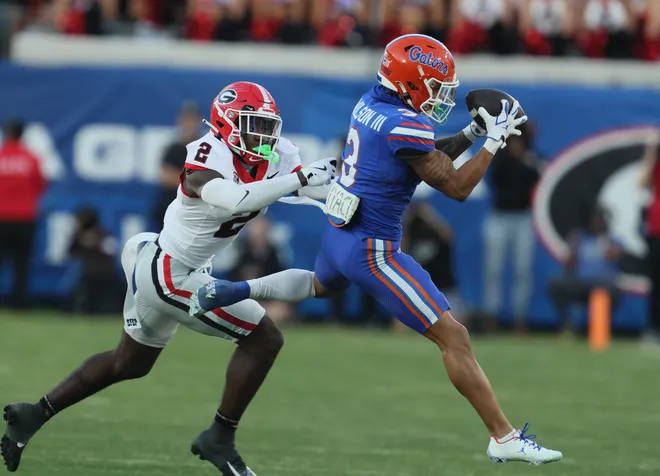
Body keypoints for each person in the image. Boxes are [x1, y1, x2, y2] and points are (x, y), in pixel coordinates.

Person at [192, 34, 562, 464]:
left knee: (321, 285)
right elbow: (456, 185)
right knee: (454, 337)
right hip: (374, 251)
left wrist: (471, 132)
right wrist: (494, 141)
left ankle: (234, 290)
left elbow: (421, 158)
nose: (442, 96)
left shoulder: (373, 103)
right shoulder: (405, 123)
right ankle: (503, 435)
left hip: (340, 234)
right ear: (411, 82)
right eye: (436, 86)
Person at [1, 81, 336, 476]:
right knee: (264, 338)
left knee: (129, 363)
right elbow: (239, 199)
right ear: (226, 126)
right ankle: (220, 437)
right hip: (171, 274)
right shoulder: (205, 156)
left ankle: (34, 414)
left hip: (169, 265)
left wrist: (342, 195)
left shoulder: (278, 155)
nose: (263, 137)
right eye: (252, 126)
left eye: (268, 127)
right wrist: (300, 179)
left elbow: (320, 189)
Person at [482, 132, 543, 332]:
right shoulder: (501, 159)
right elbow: (494, 177)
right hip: (499, 217)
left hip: (523, 219)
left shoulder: (531, 158)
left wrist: (526, 159)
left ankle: (520, 318)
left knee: (522, 270)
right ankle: (491, 316)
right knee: (493, 269)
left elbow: (542, 174)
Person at [547, 205, 623, 335]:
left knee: (613, 290)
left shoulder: (611, 240)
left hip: (602, 283)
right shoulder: (580, 237)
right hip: (580, 282)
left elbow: (616, 256)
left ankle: (601, 328)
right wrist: (573, 247)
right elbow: (568, 264)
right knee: (555, 284)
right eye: (594, 219)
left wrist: (606, 244)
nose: (597, 222)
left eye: (600, 219)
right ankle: (567, 325)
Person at [0, 119, 46, 310]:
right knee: (22, 262)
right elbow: (39, 186)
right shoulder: (31, 158)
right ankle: (19, 303)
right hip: (25, 217)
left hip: (2, 217)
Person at [152, 101, 202, 229]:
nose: (189, 124)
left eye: (192, 120)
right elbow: (166, 177)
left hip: (196, 211)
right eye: (186, 120)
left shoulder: (204, 147)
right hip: (171, 207)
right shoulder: (173, 148)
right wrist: (194, 181)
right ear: (180, 121)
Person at [68, 207, 123, 315]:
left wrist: (96, 244)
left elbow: (111, 252)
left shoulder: (102, 234)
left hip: (106, 275)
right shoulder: (79, 235)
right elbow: (71, 252)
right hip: (88, 275)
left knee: (107, 304)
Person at [639, 134, 660, 343]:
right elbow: (641, 183)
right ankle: (654, 329)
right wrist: (650, 154)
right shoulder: (655, 166)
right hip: (656, 229)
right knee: (656, 282)